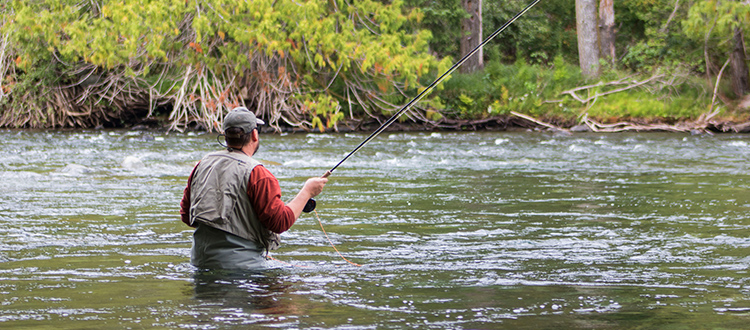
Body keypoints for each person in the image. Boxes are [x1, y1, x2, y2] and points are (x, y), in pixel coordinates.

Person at [180, 106, 328, 270]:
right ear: (254, 135)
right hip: (242, 271)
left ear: (226, 136)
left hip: (199, 263)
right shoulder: (258, 173)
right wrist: (307, 191)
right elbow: (280, 222)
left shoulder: (202, 165)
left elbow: (187, 216)